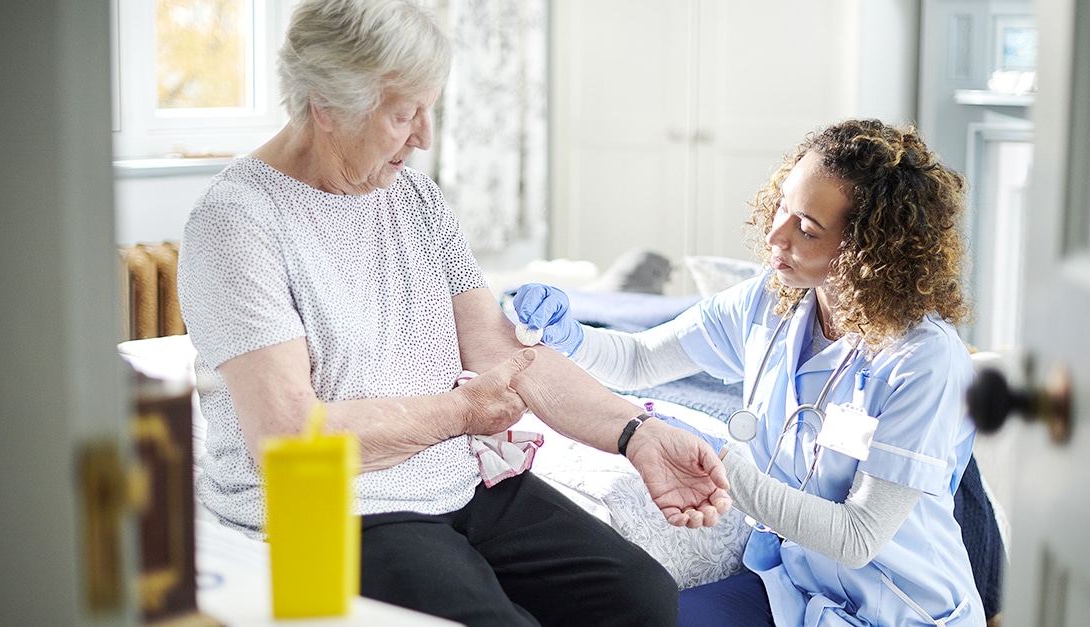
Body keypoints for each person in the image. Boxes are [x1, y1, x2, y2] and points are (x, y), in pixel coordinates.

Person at [177, 1, 731, 625]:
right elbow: (287, 437)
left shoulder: (416, 198)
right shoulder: (236, 223)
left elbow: (506, 358)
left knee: (641, 596)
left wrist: (638, 434)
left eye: (429, 109)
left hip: (456, 482)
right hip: (331, 506)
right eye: (404, 114)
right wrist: (463, 412)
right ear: (326, 107)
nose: (425, 137)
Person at [514, 119, 987, 626]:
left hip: (900, 609)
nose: (774, 234)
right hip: (795, 591)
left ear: (869, 251)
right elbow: (639, 360)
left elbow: (858, 538)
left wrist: (717, 461)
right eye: (782, 205)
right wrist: (570, 336)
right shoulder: (769, 300)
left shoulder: (923, 361)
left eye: (806, 229)